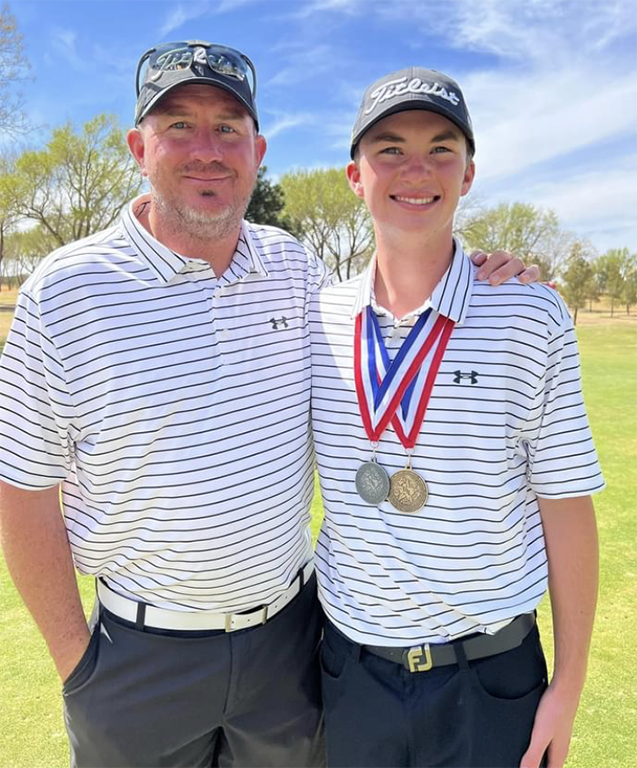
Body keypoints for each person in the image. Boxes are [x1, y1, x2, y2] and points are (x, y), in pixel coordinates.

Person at [0, 43, 536, 768]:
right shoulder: (64, 292)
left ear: (256, 150)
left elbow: (392, 297)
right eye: (179, 126)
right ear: (137, 147)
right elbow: (23, 492)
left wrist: (482, 274)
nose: (207, 150)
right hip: (138, 659)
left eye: (228, 129)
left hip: (288, 648)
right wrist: (78, 663)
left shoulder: (293, 267)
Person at [309, 67, 603, 768]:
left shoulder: (529, 314)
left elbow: (564, 506)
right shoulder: (315, 316)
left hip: (491, 677)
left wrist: (568, 685)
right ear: (354, 175)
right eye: (389, 149)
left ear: (468, 174)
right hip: (351, 678)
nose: (417, 169)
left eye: (441, 148)